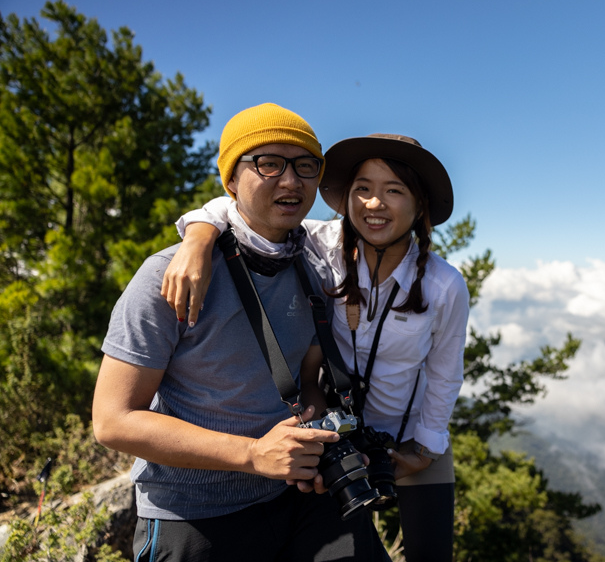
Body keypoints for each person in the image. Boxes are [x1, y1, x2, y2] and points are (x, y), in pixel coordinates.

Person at [93, 103, 390, 562]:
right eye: (268, 163)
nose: (291, 181)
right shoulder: (169, 275)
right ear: (231, 180)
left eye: (306, 165)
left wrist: (318, 444)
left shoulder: (309, 266)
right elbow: (112, 420)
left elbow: (307, 382)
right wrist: (253, 454)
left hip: (291, 493)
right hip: (192, 511)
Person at [163, 133, 468, 562]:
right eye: (362, 189)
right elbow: (237, 209)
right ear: (346, 198)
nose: (374, 204)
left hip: (411, 436)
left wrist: (426, 448)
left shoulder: (444, 285)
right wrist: (197, 238)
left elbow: (445, 370)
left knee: (431, 553)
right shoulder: (322, 244)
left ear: (420, 206)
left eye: (394, 191)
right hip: (336, 435)